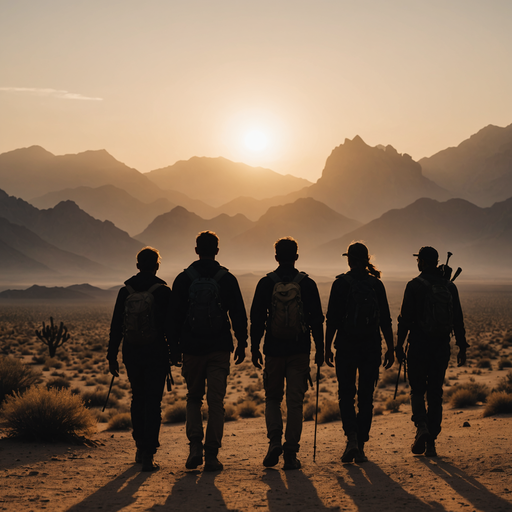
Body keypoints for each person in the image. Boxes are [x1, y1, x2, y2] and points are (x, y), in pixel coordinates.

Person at [172, 230, 247, 472]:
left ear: (196, 250)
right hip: (219, 348)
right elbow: (237, 313)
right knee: (216, 401)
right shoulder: (226, 278)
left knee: (194, 398)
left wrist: (173, 348)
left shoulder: (184, 279)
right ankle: (212, 454)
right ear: (217, 250)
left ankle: (195, 446)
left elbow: (173, 318)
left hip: (192, 349)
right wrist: (243, 342)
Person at [251, 237, 324, 470]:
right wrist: (320, 349)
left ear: (276, 257)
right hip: (299, 350)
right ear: (296, 257)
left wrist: (254, 347)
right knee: (295, 401)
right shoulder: (307, 284)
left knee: (273, 398)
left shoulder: (265, 283)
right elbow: (317, 320)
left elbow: (257, 319)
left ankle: (274, 441)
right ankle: (290, 453)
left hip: (273, 350)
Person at [325, 242, 394, 463]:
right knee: (366, 396)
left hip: (345, 347)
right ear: (366, 259)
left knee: (346, 394)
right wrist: (391, 348)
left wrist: (326, 346)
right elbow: (385, 319)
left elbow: (332, 320)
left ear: (349, 260)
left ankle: (351, 439)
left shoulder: (340, 284)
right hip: (371, 347)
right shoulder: (376, 284)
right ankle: (361, 445)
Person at [107, 246, 175, 472]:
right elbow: (170, 327)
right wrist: (175, 353)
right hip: (156, 352)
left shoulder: (125, 291)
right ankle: (148, 453)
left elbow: (116, 325)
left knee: (138, 397)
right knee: (153, 401)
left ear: (137, 265)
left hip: (132, 351)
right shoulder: (163, 291)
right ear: (157, 265)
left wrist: (112, 355)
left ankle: (139, 446)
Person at [396, 246, 468, 457]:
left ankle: (422, 427)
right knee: (435, 392)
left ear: (422, 262)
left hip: (418, 345)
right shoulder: (449, 286)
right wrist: (462, 346)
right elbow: (458, 320)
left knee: (417, 390)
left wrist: (398, 346)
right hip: (441, 346)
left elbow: (404, 320)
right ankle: (432, 442)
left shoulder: (414, 286)